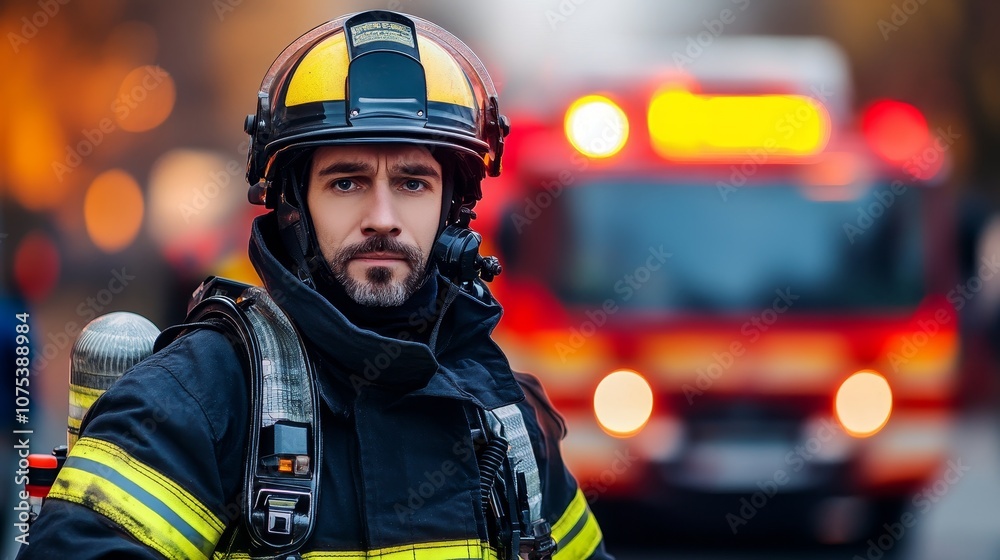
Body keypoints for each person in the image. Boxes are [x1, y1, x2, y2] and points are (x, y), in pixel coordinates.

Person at [17, 10, 612, 560]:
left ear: (453, 209)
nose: (382, 216)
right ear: (294, 208)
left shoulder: (503, 415)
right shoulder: (199, 399)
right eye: (346, 183)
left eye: (412, 183)